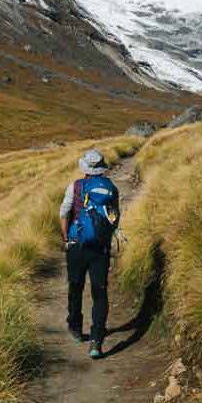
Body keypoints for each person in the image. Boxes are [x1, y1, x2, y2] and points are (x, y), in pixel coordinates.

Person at [59, 148, 120, 359]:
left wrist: (67, 238)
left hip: (77, 246)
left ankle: (75, 327)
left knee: (75, 286)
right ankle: (96, 340)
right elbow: (114, 218)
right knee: (99, 293)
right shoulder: (111, 188)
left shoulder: (75, 187)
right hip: (100, 249)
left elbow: (63, 213)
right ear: (102, 169)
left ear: (84, 168)